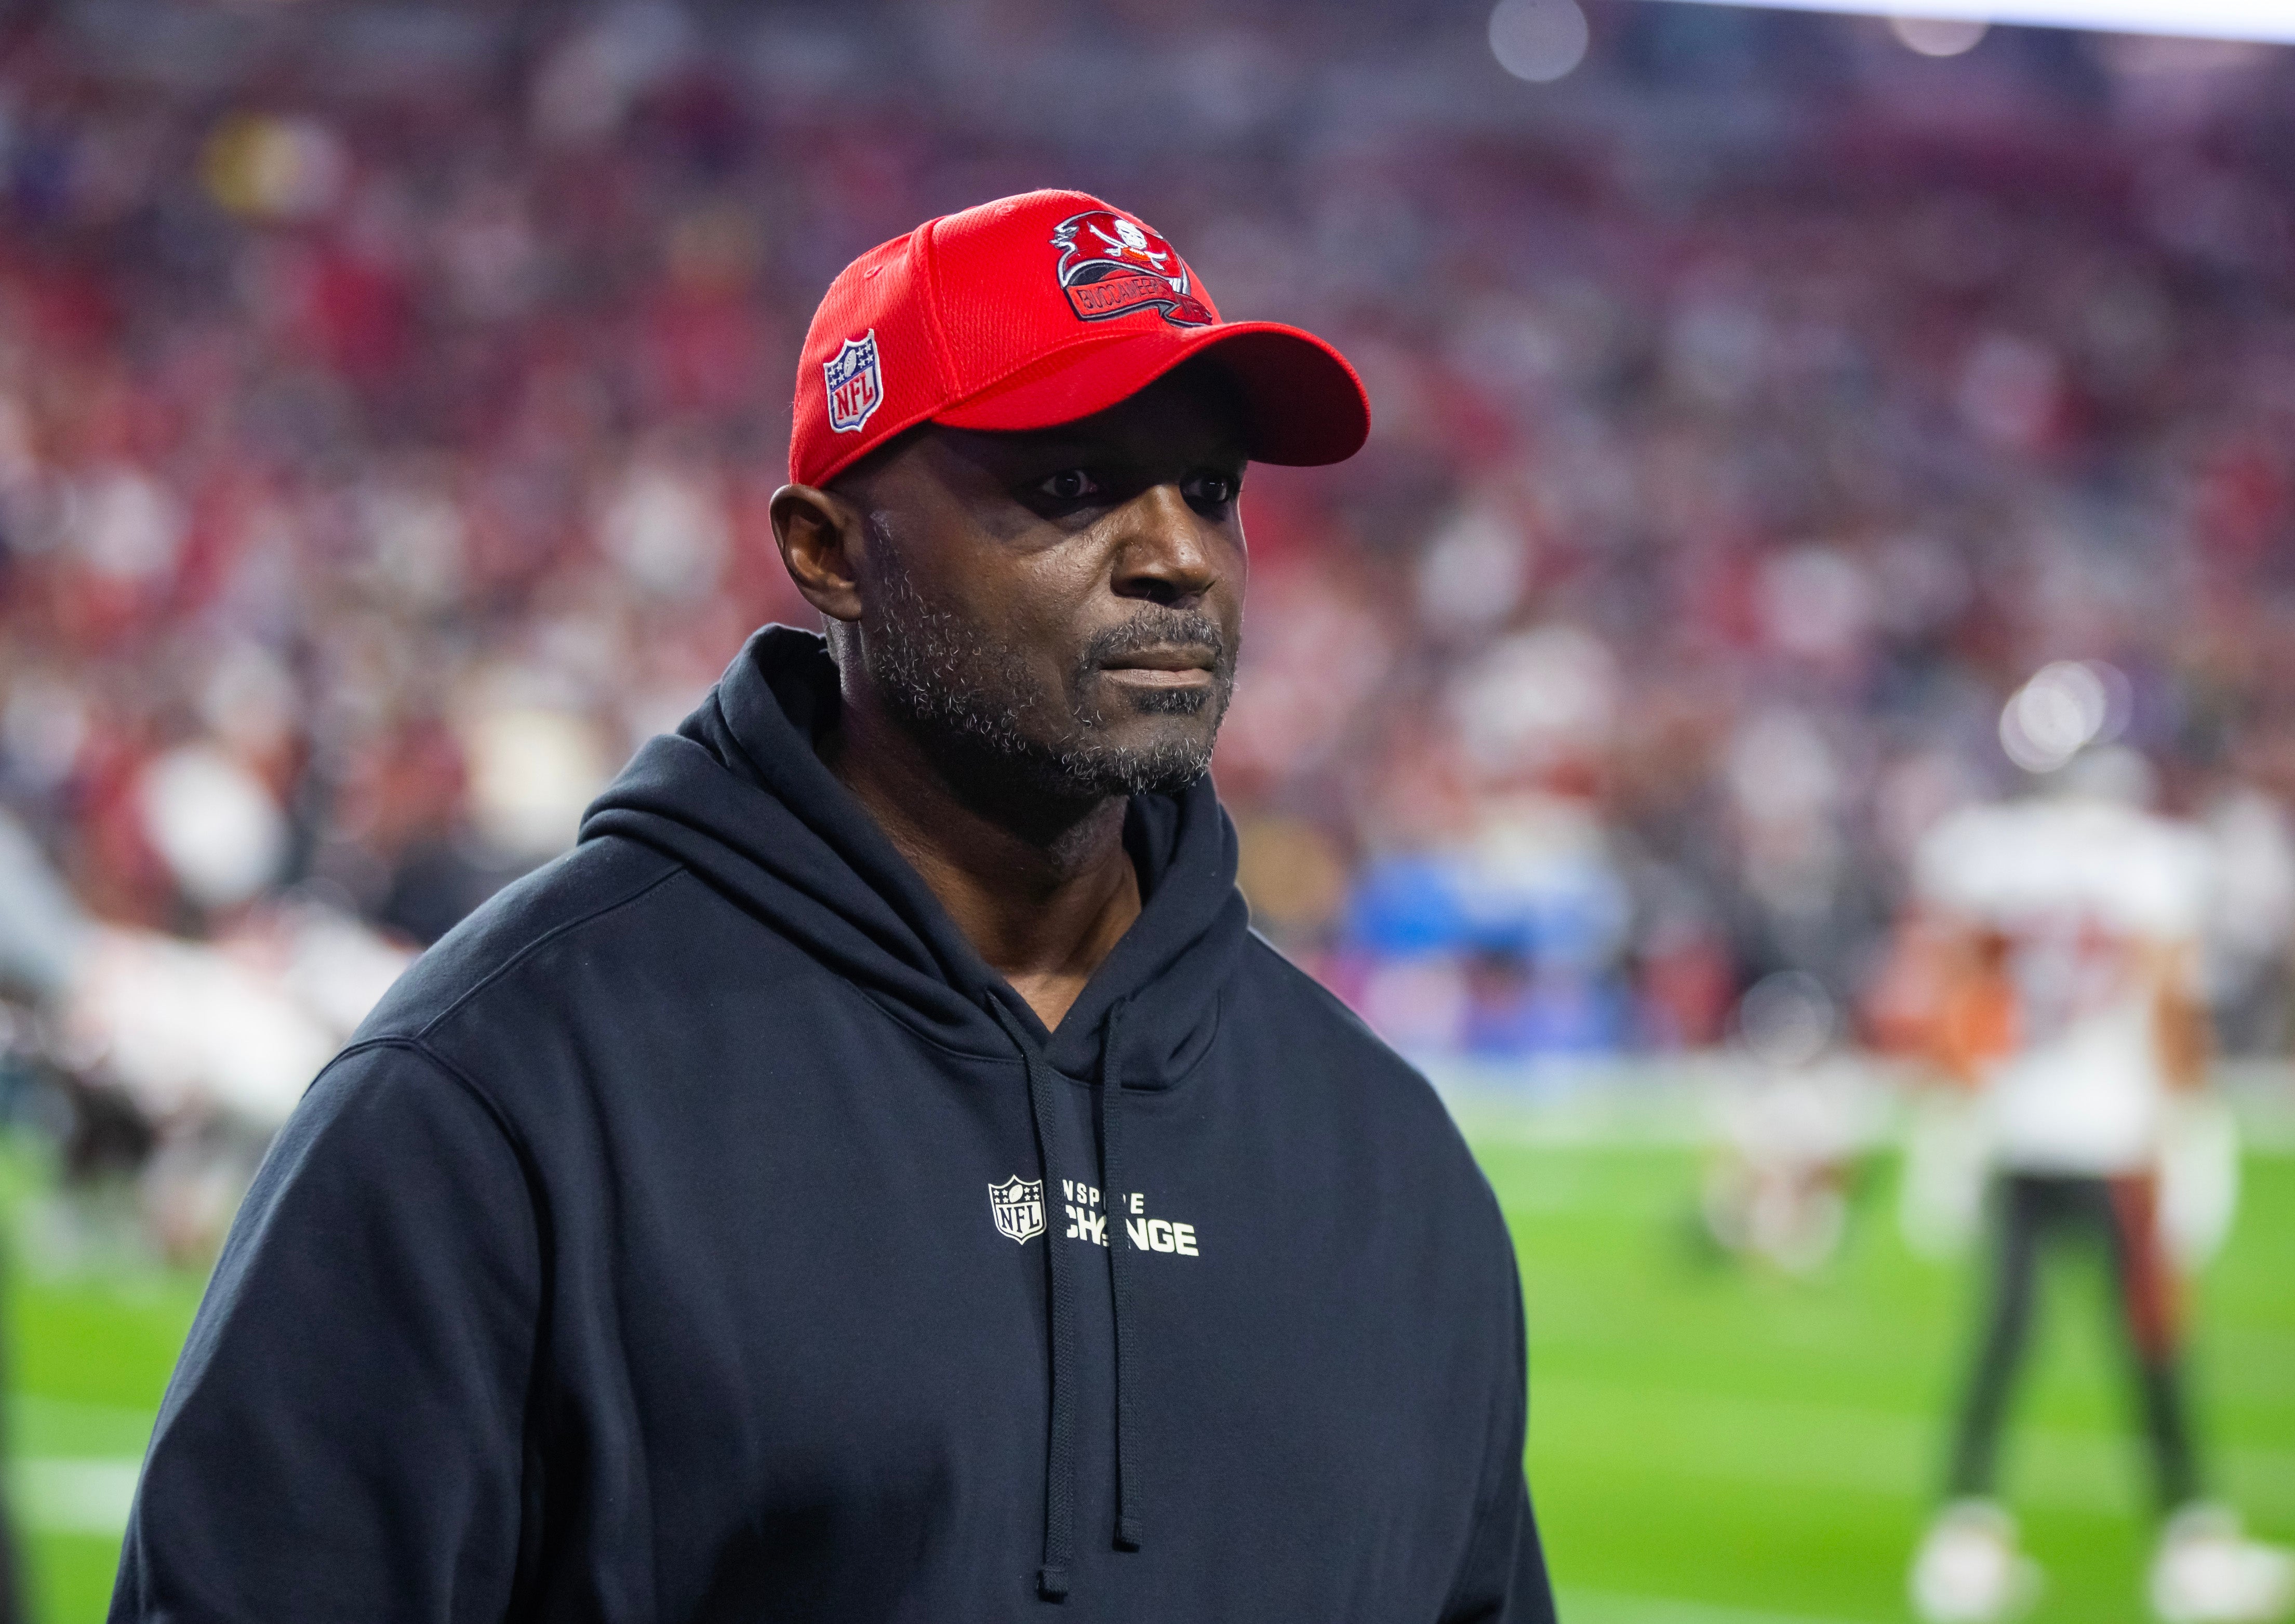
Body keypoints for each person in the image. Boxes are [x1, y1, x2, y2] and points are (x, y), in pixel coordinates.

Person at [111, 190, 1554, 1622]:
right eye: (1069, 483)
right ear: (828, 550)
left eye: (1212, 489)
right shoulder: (503, 1091)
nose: (1176, 553)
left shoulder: (1389, 1159)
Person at [1902, 749, 2292, 1624]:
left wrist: (1954, 1113)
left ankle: (1960, 1542)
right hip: (2112, 1140)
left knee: (2001, 1341)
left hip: (2016, 1129)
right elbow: (2167, 1003)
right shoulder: (2152, 866)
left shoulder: (1995, 858)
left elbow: (1960, 992)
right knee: (2153, 1348)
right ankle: (2191, 1547)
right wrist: (2192, 1129)